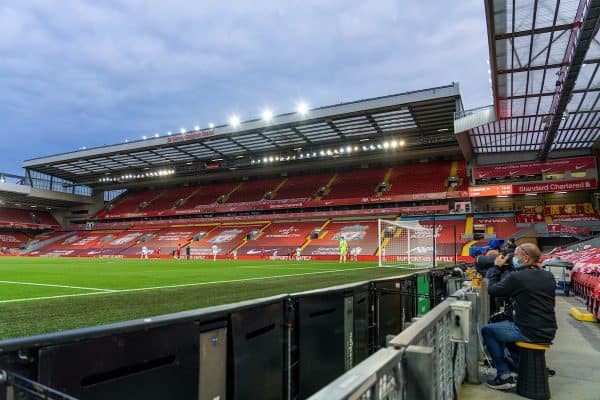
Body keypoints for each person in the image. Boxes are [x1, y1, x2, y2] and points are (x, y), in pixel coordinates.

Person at [481, 243, 557, 391]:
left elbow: (493, 290)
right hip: (548, 330)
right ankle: (519, 368)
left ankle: (503, 376)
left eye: (516, 255)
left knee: (487, 330)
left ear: (525, 258)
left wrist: (497, 267)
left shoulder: (519, 277)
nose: (512, 258)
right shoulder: (548, 275)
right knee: (506, 331)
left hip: (528, 331)